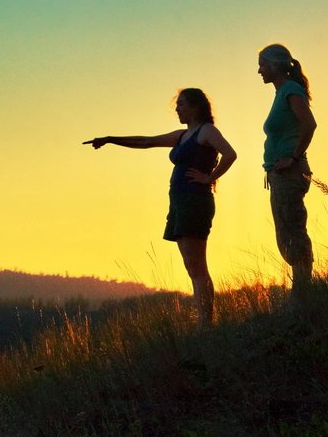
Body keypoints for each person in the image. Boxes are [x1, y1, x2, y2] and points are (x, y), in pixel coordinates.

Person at [84, 88, 236, 326]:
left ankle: (206, 324)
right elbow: (145, 142)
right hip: (179, 202)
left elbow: (230, 154)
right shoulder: (181, 136)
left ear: (195, 107)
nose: (177, 109)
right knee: (191, 265)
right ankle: (205, 322)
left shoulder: (207, 131)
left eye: (182, 104)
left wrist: (209, 177)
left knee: (197, 266)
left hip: (194, 201)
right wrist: (110, 139)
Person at [258, 43, 317, 296]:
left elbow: (309, 124)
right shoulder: (281, 92)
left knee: (292, 230)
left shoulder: (290, 90)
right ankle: (302, 290)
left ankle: (304, 292)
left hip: (289, 172)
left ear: (274, 65)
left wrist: (293, 157)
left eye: (262, 64)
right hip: (280, 173)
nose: (259, 70)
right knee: (286, 231)